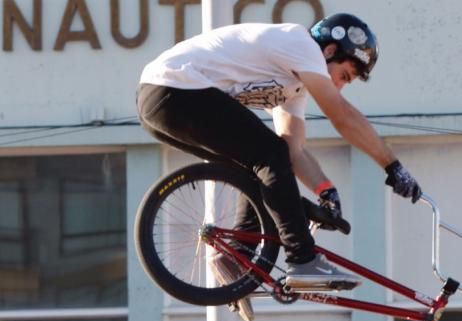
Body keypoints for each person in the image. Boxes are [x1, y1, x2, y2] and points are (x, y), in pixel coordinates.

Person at [138, 12, 422, 298]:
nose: (339, 86)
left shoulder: (292, 87)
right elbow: (342, 115)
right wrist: (392, 166)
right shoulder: (301, 45)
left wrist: (326, 191)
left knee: (264, 160)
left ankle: (239, 254)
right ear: (330, 51)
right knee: (267, 154)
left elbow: (292, 151)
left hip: (159, 100)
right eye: (343, 75)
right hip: (175, 88)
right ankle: (302, 260)